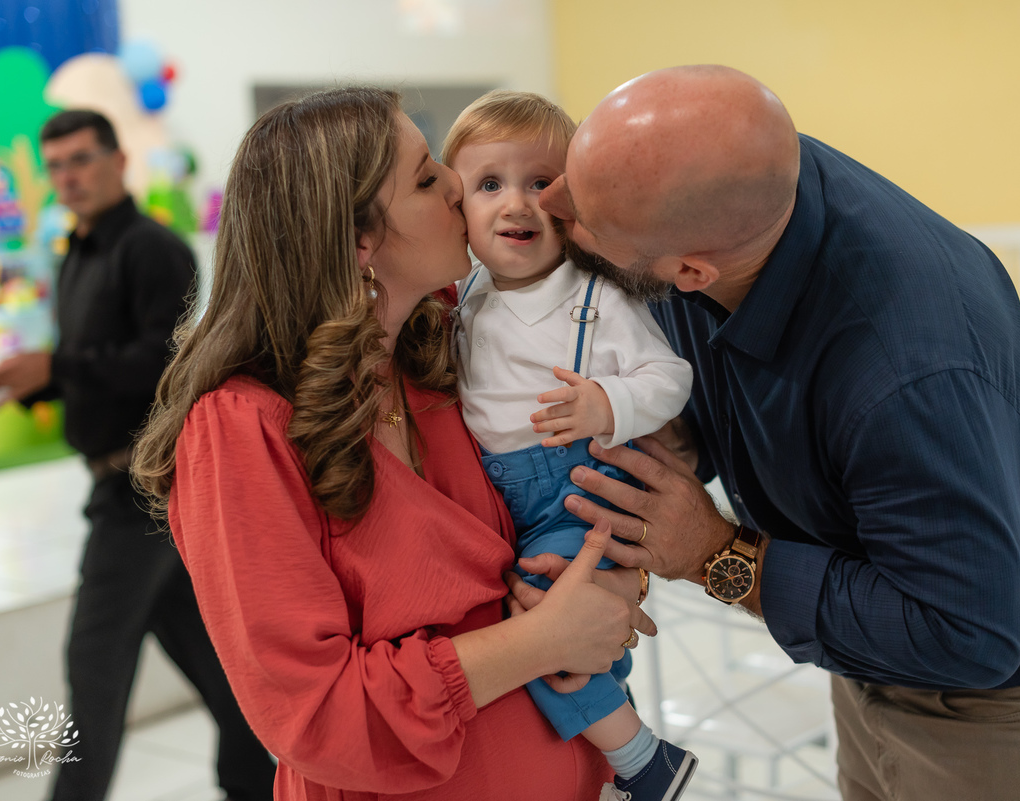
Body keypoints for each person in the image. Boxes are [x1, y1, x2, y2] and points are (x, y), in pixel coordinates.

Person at [531, 64, 1020, 800]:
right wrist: (673, 443)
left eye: (587, 216)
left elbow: (967, 631)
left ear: (689, 268)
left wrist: (713, 551)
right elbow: (726, 384)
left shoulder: (909, 372)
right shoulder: (740, 194)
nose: (552, 203)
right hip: (871, 641)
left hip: (1009, 698)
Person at [131, 87, 652, 801]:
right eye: (426, 176)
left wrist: (611, 581)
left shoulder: (440, 351)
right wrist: (542, 641)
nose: (456, 187)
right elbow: (314, 714)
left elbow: (571, 502)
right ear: (359, 241)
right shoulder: (239, 427)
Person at [0, 110, 277, 800]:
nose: (68, 177)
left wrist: (58, 365)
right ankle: (258, 786)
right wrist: (35, 378)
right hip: (125, 489)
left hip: (144, 492)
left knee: (94, 666)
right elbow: (92, 363)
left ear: (118, 161)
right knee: (218, 667)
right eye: (55, 166)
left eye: (80, 160)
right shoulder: (78, 252)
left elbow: (162, 362)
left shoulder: (153, 249)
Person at [442, 90, 697, 801]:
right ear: (455, 205)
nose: (515, 204)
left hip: (574, 488)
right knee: (549, 626)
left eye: (538, 183)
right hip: (501, 493)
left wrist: (606, 403)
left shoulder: (595, 298)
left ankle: (643, 761)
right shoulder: (462, 297)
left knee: (547, 633)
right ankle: (625, 756)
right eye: (489, 185)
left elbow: (670, 376)